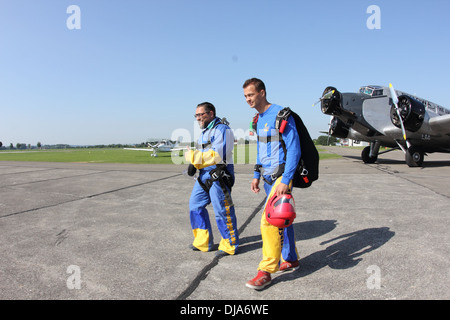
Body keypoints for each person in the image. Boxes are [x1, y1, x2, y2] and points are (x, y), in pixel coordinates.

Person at [243, 78, 301, 290]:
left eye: (251, 94)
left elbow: (294, 149)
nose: (248, 99)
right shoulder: (257, 120)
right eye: (245, 96)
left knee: (269, 221)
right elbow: (261, 149)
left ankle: (266, 270)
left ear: (262, 92)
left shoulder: (280, 114)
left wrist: (285, 180)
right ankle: (291, 258)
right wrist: (256, 173)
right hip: (266, 177)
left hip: (280, 176)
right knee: (282, 219)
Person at [185, 102, 239, 257]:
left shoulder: (223, 130)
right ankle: (203, 242)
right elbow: (203, 153)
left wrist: (193, 157)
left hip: (219, 176)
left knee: (222, 210)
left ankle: (229, 244)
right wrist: (194, 164)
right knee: (195, 205)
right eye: (196, 115)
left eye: (201, 114)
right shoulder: (204, 133)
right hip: (203, 176)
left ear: (211, 113)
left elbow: (217, 155)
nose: (198, 118)